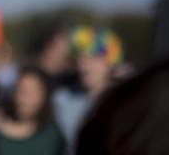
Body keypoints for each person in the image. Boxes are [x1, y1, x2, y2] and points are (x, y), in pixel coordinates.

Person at [76, 52, 169, 155]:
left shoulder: (129, 103)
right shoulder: (64, 98)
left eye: (93, 59)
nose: (84, 65)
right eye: (82, 59)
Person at [51, 25, 122, 154]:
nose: (84, 64)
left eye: (93, 57)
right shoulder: (61, 100)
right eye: (80, 57)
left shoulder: (123, 103)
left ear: (109, 63)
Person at [0, 66, 65, 155]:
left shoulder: (52, 136)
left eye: (30, 92)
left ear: (44, 96)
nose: (22, 99)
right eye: (19, 90)